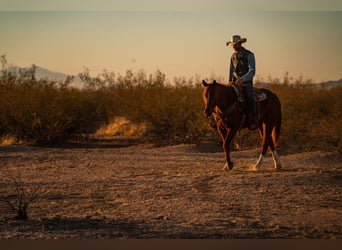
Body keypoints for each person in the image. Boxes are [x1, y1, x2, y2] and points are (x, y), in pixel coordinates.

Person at [226, 35, 258, 130]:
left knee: (249, 97)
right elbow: (231, 71)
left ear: (240, 43)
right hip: (235, 83)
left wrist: (242, 80)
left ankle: (254, 119)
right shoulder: (233, 57)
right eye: (233, 45)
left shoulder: (249, 55)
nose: (234, 46)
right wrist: (230, 83)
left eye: (235, 44)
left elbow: (252, 71)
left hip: (246, 83)